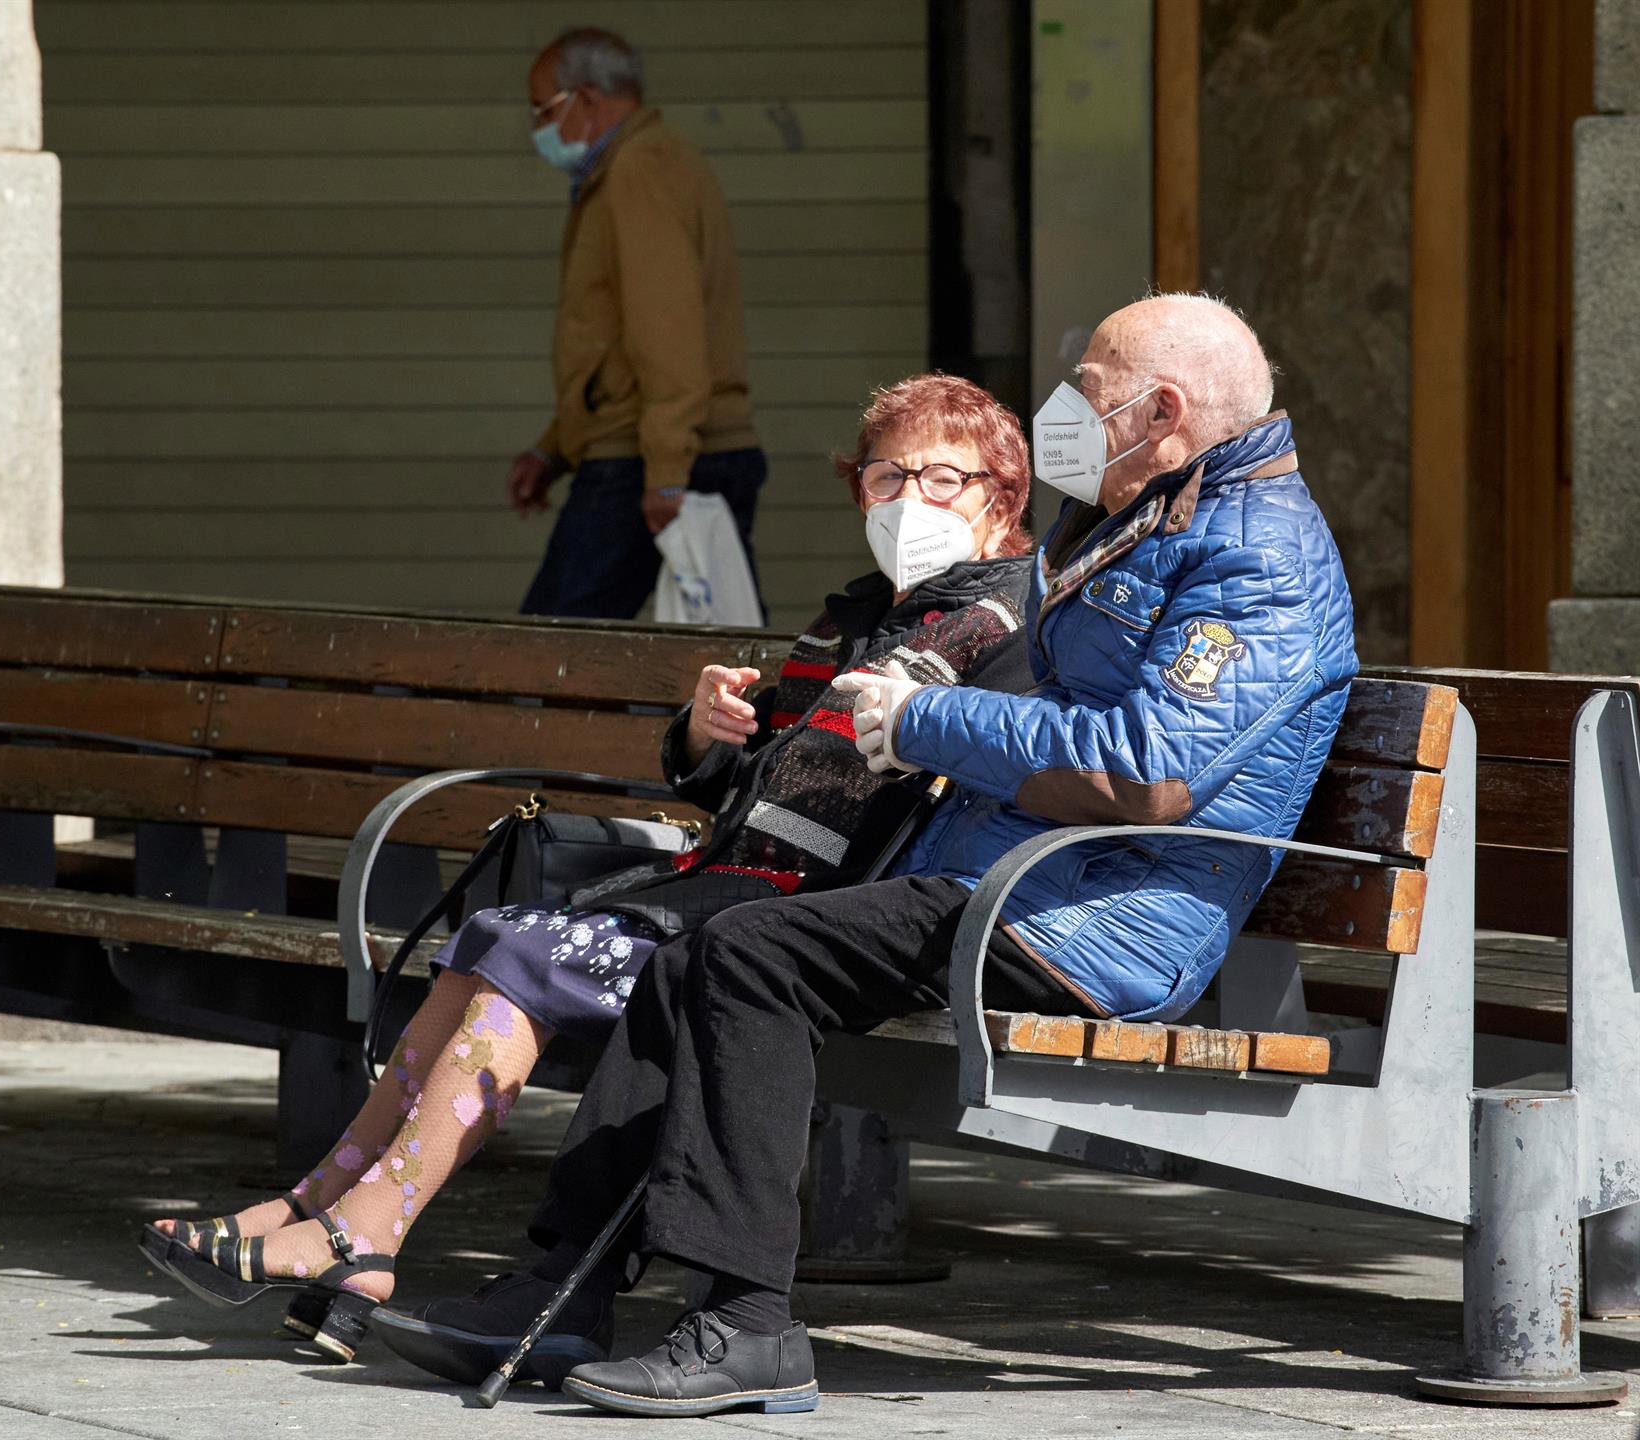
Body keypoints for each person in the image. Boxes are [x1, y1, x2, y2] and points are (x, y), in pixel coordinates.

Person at [372, 294, 1360, 1418]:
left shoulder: (1258, 555)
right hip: (1009, 879)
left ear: (1164, 411)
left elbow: (1147, 773)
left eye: (1088, 390)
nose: (1066, 412)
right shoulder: (1152, 514)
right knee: (699, 955)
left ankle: (746, 1324)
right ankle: (562, 1290)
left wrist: (923, 721)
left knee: (747, 960)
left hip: (1094, 921)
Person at [139, 374, 1034, 1365]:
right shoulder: (852, 619)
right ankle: (322, 1207)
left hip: (800, 922)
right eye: (887, 475)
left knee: (532, 952)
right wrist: (706, 734)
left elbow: (942, 790)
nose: (910, 499)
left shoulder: (1003, 626)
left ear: (1002, 495)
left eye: (943, 478)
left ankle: (364, 1232)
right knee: (492, 938)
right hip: (729, 883)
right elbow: (766, 781)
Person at [508, 27, 765, 618]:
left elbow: (665, 329)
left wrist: (668, 472)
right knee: (721, 647)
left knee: (548, 650)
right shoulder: (651, 163)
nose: (536, 127)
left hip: (646, 461)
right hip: (668, 449)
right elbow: (613, 346)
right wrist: (554, 449)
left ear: (584, 99)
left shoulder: (637, 171)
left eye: (542, 110)